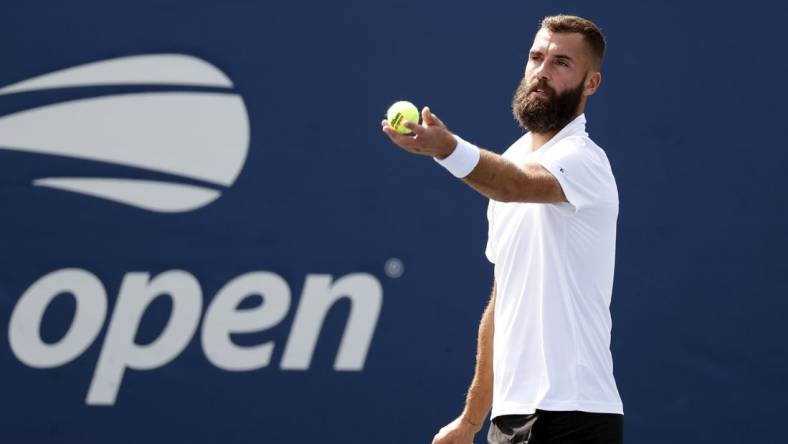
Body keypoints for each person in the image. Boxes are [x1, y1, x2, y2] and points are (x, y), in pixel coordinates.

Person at [381, 14, 624, 444]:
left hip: (575, 414)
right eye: (536, 57)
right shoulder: (508, 161)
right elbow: (502, 303)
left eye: (562, 63)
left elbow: (514, 185)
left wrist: (446, 149)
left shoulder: (585, 159)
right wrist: (472, 419)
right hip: (509, 419)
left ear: (591, 84)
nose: (542, 72)